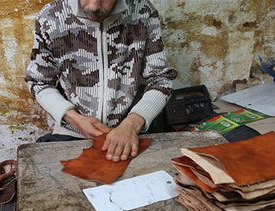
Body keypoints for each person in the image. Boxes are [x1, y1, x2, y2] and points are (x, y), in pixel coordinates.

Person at [25, 0, 177, 162]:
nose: (93, 7)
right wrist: (75, 119)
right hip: (72, 135)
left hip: (133, 132)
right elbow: (39, 82)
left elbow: (161, 80)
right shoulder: (50, 17)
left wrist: (132, 124)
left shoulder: (143, 11)